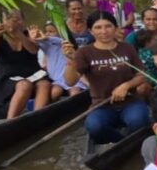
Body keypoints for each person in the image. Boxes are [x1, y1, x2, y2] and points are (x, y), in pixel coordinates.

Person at [62, 12, 149, 144]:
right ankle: (122, 142)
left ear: (115, 28)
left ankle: (131, 141)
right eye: (98, 27)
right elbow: (70, 81)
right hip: (101, 105)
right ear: (90, 31)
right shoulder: (84, 52)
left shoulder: (127, 48)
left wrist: (126, 86)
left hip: (130, 102)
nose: (104, 31)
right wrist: (71, 61)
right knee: (94, 127)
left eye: (108, 26)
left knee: (139, 120)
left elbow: (141, 75)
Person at [0, 10, 51, 119]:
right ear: (2, 22)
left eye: (17, 19)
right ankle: (11, 121)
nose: (13, 22)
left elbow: (33, 50)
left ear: (23, 21)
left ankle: (37, 117)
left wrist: (18, 33)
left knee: (44, 84)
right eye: (8, 19)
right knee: (24, 85)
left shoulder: (30, 34)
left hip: (32, 73)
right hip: (8, 77)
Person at [30, 22, 87, 101]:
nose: (48, 33)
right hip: (57, 80)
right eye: (46, 31)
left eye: (51, 31)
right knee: (55, 92)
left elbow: (59, 40)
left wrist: (47, 38)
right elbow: (35, 44)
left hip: (70, 77)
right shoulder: (45, 45)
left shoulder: (63, 44)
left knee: (74, 92)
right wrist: (34, 36)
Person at [127, 7, 157, 85]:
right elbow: (127, 57)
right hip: (141, 77)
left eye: (155, 19)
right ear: (143, 20)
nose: (151, 22)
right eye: (148, 19)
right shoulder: (134, 36)